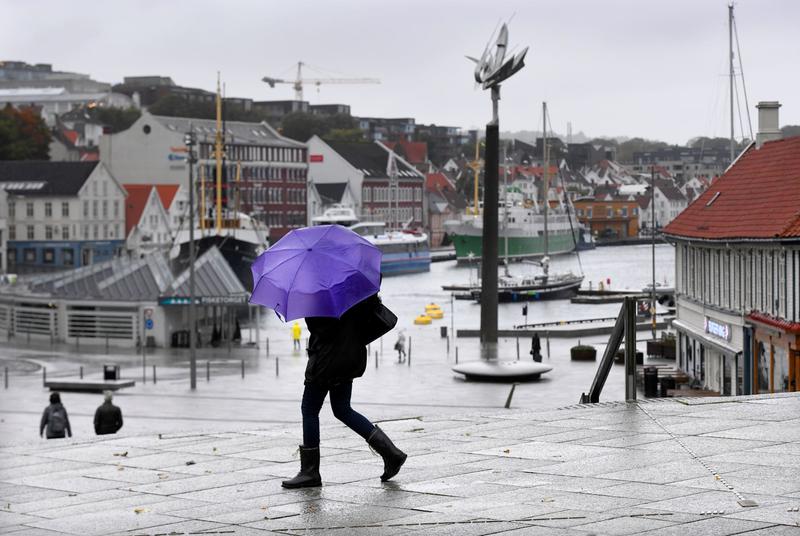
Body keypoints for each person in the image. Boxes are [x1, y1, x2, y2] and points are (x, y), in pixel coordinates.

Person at [282, 294, 407, 489]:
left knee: (309, 409)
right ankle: (391, 453)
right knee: (342, 409)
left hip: (326, 359)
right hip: (349, 356)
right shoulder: (355, 290)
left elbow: (319, 328)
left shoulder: (318, 293)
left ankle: (310, 471)